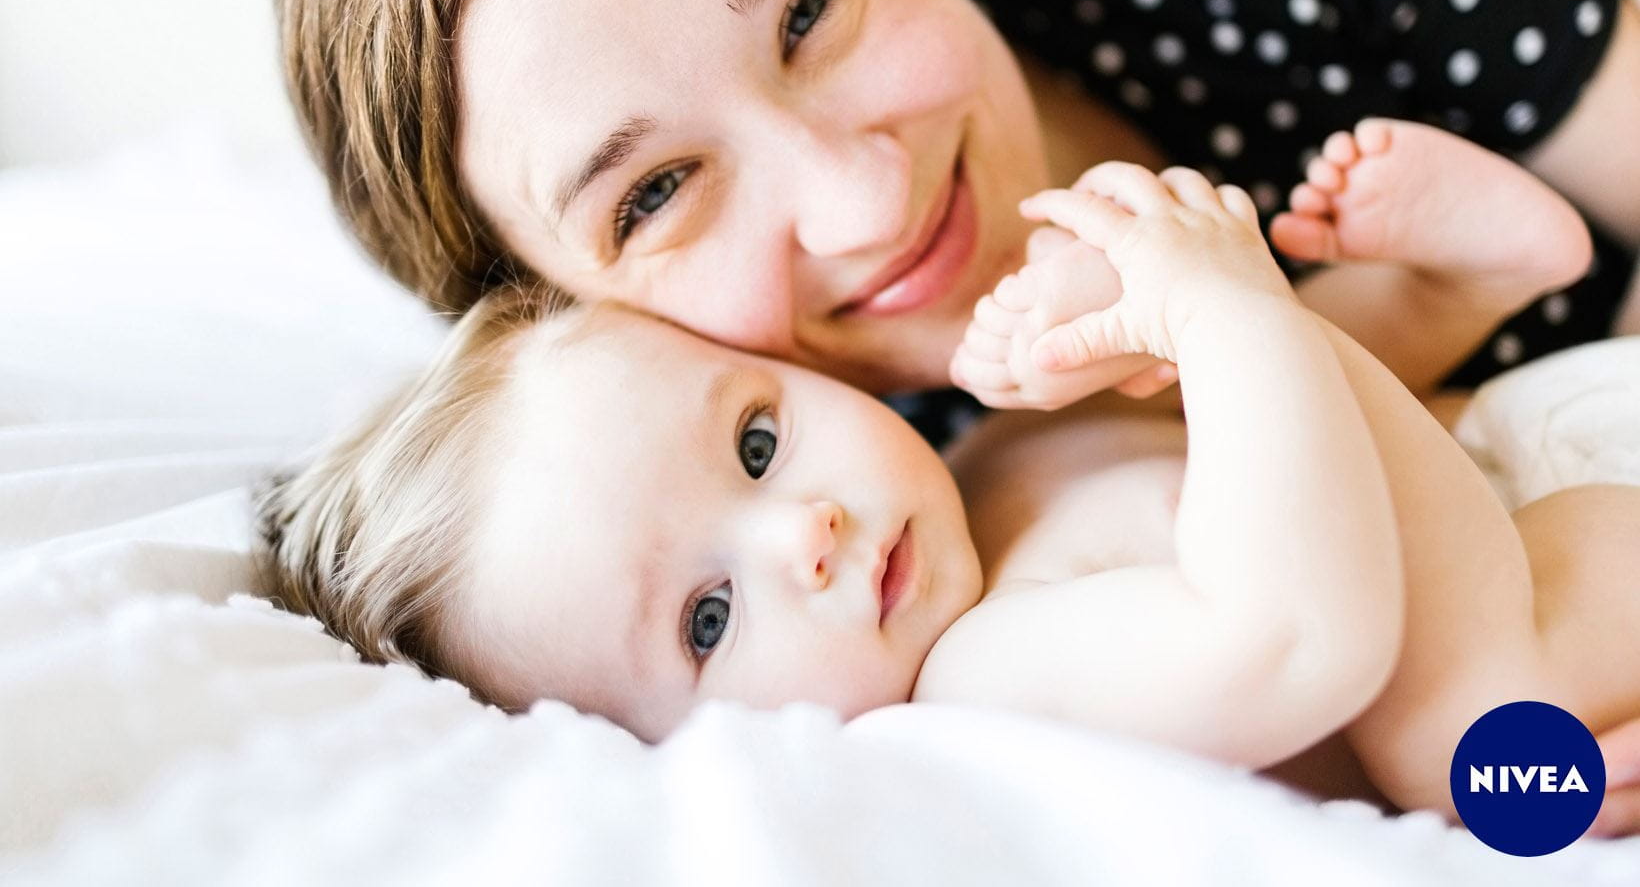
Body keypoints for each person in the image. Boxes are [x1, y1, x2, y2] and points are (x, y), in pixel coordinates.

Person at [271, 0, 1640, 826]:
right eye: (656, 192)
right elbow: (1303, 634)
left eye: (815, 0)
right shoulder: (942, 635)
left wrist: (1425, 291)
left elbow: (1331, 404)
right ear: (572, 306)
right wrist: (1218, 308)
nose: (866, 201)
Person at [257, 117, 1640, 828]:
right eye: (709, 619)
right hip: (1512, 738)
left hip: (1510, 469)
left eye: (755, 441)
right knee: (1476, 709)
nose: (804, 532)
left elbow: (1310, 427)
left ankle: (1465, 282)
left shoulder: (983, 455)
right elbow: (1300, 633)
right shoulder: (981, 672)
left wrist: (1128, 337)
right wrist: (1216, 312)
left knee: (1318, 383)